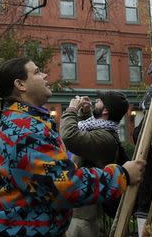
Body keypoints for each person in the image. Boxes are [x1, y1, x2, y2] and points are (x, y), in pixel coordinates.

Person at [0, 57, 146, 237]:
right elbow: (66, 185)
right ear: (20, 84)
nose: (44, 75)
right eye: (36, 72)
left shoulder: (23, 121)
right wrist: (123, 175)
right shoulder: (25, 130)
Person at [60, 91, 129, 237]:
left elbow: (70, 136)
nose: (95, 100)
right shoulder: (104, 130)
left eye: (100, 100)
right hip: (80, 204)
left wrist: (71, 110)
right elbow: (88, 137)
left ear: (105, 110)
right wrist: (85, 113)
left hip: (85, 212)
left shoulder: (106, 138)